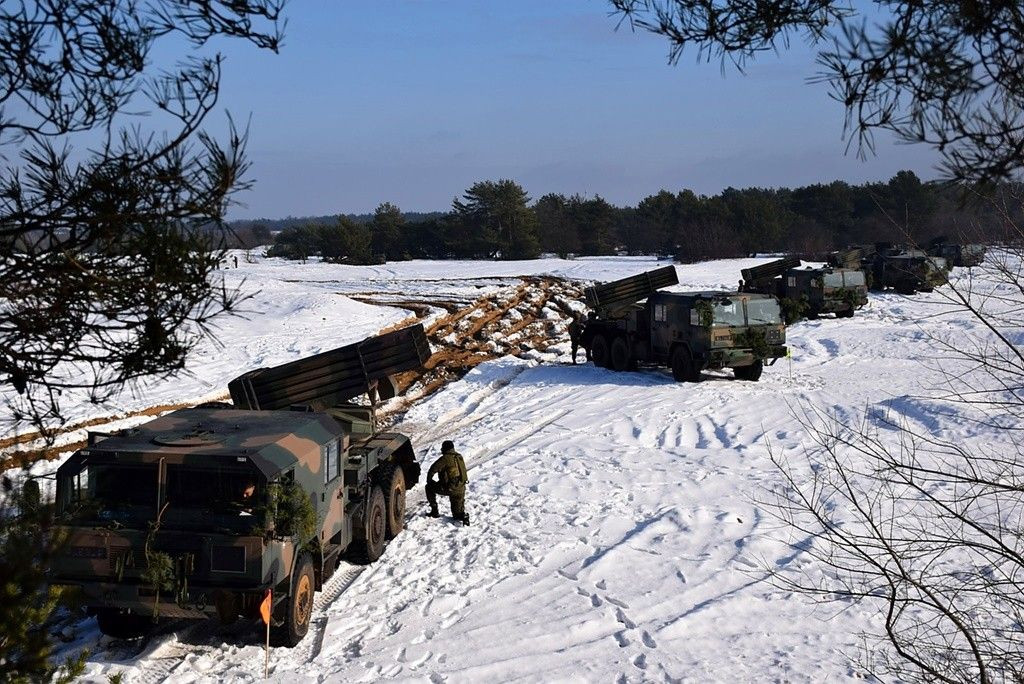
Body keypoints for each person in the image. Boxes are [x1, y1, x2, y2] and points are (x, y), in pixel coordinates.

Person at [426, 440, 469, 526]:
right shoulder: (459, 457)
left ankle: (434, 510)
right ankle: (463, 516)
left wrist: (429, 480)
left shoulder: (445, 458)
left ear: (444, 449)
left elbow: (432, 469)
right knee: (456, 516)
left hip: (450, 489)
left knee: (428, 487)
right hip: (461, 489)